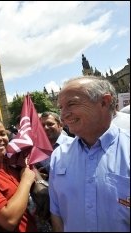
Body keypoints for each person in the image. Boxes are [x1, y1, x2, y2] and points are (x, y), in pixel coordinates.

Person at [49, 76, 130, 232]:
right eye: (61, 107)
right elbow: (57, 213)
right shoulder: (59, 155)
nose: (63, 114)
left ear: (104, 102)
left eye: (71, 104)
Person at [36, 111, 74, 176]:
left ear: (60, 125)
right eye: (42, 125)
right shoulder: (37, 148)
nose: (46, 128)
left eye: (50, 124)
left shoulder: (73, 145)